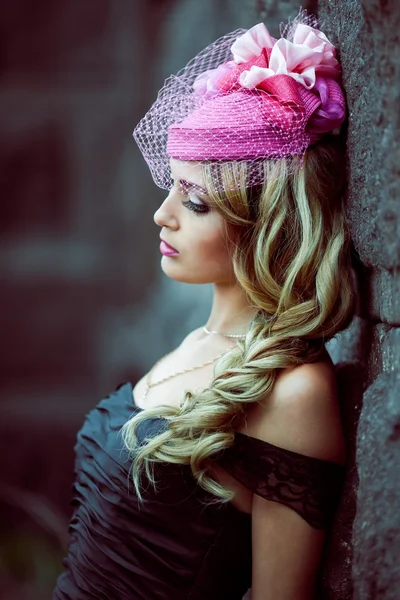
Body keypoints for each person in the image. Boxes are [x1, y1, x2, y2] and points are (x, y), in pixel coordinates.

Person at [53, 10, 354, 600]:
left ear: (263, 225)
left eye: (194, 202)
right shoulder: (198, 344)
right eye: (172, 187)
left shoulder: (294, 391)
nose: (161, 214)